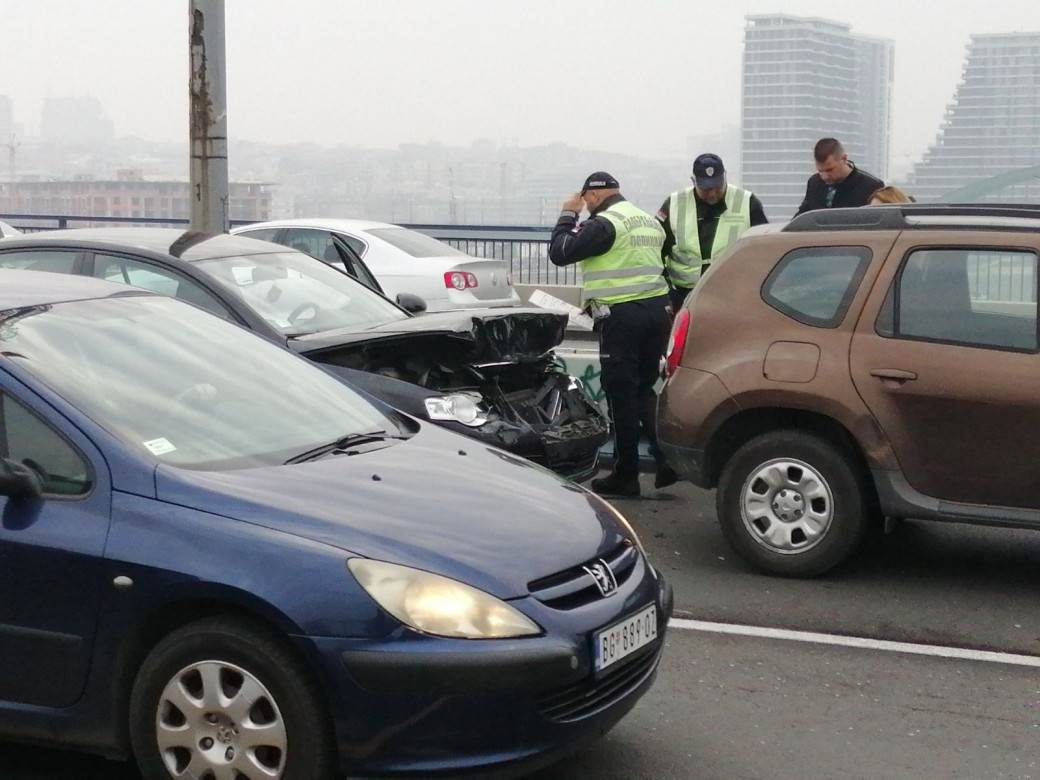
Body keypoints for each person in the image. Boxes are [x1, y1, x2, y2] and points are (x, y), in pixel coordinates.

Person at [548, 171, 677, 497]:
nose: (585, 204)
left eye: (586, 199)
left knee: (620, 393)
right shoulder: (647, 220)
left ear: (593, 196)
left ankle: (626, 474)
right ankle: (666, 462)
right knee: (645, 389)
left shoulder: (605, 223)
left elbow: (560, 252)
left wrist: (568, 213)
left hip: (624, 317)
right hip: (658, 312)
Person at [657, 153, 768, 310]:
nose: (713, 193)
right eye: (706, 189)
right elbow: (655, 252)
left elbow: (762, 251)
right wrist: (667, 292)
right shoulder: (674, 204)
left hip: (733, 296)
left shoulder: (747, 202)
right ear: (693, 181)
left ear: (725, 177)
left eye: (717, 186)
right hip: (684, 297)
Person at [795, 138, 884, 215]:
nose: (825, 176)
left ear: (844, 159)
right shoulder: (814, 182)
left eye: (830, 170)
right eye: (820, 171)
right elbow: (803, 214)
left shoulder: (872, 186)